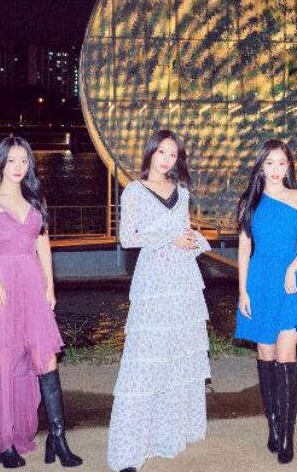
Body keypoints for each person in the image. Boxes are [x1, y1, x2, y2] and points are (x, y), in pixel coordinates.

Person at [0, 136, 81, 468]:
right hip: (0, 287)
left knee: (46, 358)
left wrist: (50, 287)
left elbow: (43, 245)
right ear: (1, 163)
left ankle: (57, 438)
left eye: (24, 161)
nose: (18, 167)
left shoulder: (35, 200)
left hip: (32, 286)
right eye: (12, 160)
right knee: (3, 361)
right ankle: (4, 441)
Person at [107, 130, 211, 472]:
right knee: (144, 360)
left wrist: (192, 238)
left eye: (173, 154)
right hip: (153, 282)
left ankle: (169, 434)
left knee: (178, 356)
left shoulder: (182, 192)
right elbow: (127, 238)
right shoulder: (134, 190)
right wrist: (169, 236)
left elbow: (184, 230)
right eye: (162, 152)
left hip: (183, 280)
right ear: (150, 152)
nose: (166, 159)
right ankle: (128, 450)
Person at [234, 139, 297, 464]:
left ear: (289, 166)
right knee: (266, 355)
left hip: (291, 282)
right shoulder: (249, 202)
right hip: (259, 282)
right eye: (269, 163)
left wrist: (293, 268)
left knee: (287, 356)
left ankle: (287, 434)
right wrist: (243, 291)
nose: (275, 169)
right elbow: (244, 248)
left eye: (281, 163)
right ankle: (272, 424)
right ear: (260, 166)